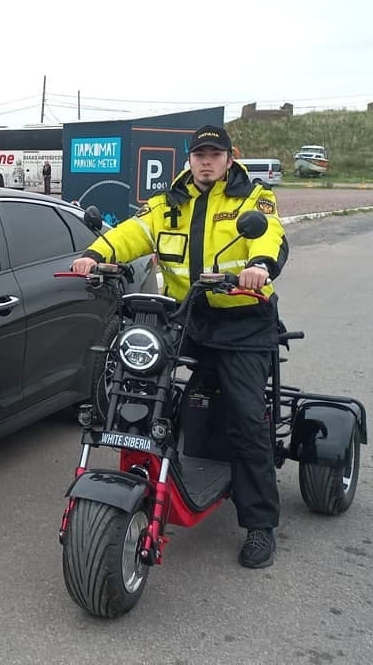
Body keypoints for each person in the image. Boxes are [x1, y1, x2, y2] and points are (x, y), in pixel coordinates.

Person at [71, 123, 289, 569]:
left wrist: (260, 265)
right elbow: (132, 232)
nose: (206, 162)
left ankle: (260, 524)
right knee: (140, 390)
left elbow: (268, 233)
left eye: (215, 155)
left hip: (243, 321)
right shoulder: (168, 202)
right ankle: (151, 482)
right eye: (199, 155)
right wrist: (95, 254)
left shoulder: (252, 198)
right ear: (190, 159)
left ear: (229, 158)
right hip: (186, 317)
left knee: (246, 417)